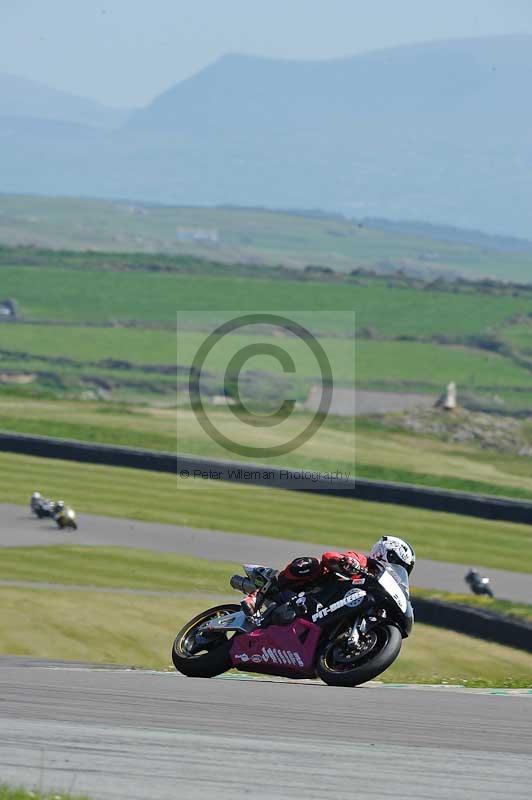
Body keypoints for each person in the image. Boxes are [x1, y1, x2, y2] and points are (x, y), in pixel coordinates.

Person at [241, 535, 415, 620]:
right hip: (309, 594)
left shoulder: (383, 589)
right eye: (396, 562)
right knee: (310, 564)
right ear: (385, 553)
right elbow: (329, 556)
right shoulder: (364, 562)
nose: (398, 569)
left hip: (324, 615)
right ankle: (257, 596)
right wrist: (346, 562)